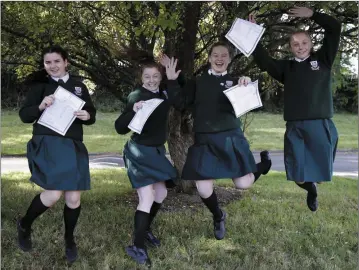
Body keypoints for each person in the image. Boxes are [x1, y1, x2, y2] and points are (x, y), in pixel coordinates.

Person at [165, 42, 272, 241]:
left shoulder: (237, 82)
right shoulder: (197, 82)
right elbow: (179, 103)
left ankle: (263, 165)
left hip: (230, 138)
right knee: (203, 188)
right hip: (205, 140)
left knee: (244, 183)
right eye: (216, 55)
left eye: (224, 55)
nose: (220, 58)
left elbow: (255, 105)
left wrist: (247, 85)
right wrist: (171, 81)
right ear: (209, 58)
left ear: (229, 60)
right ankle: (218, 215)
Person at [249, 6, 341, 211]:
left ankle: (315, 186)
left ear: (311, 44)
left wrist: (313, 15)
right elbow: (264, 61)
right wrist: (253, 33)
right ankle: (311, 189)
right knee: (297, 175)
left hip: (320, 124)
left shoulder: (323, 60)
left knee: (321, 174)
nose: (300, 47)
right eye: (295, 44)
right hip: (295, 127)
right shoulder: (286, 68)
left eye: (304, 43)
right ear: (290, 47)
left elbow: (335, 27)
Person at [17, 45, 96, 263]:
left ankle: (69, 239)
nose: (52, 66)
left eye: (56, 61)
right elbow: (24, 115)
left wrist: (86, 115)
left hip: (73, 144)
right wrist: (40, 106)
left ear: (66, 62)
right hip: (48, 143)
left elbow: (92, 115)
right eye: (48, 62)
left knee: (73, 198)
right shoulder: (40, 86)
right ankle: (25, 224)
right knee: (53, 195)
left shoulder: (79, 87)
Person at [115, 59, 181, 266]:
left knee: (161, 193)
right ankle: (137, 245)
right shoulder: (137, 96)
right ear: (140, 78)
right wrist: (132, 110)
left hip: (157, 151)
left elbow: (179, 101)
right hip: (139, 151)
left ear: (160, 77)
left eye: (155, 76)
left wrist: (173, 81)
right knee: (147, 196)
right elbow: (120, 127)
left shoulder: (163, 92)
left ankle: (146, 230)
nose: (151, 80)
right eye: (147, 77)